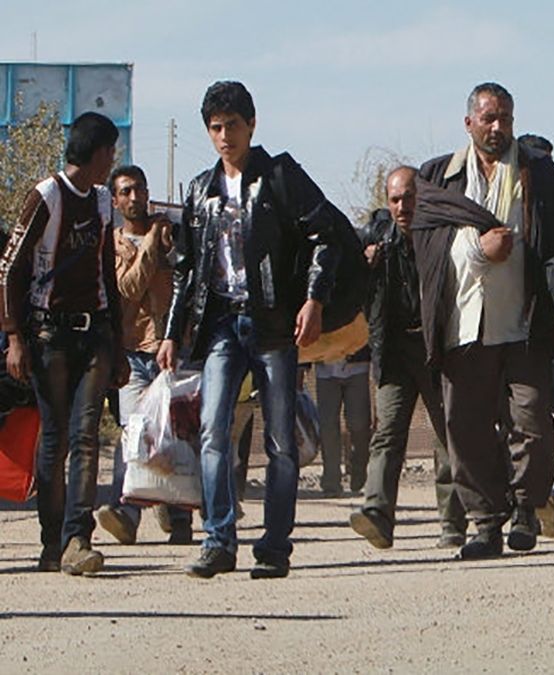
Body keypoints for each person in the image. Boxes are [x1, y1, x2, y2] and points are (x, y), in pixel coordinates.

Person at [158, 81, 345, 579]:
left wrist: (313, 299)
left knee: (280, 440)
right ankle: (219, 540)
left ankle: (276, 545)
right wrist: (172, 332)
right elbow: (186, 268)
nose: (224, 136)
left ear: (251, 124)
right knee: (212, 430)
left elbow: (323, 235)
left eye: (232, 126)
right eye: (216, 128)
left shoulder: (280, 175)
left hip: (275, 325)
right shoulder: (200, 190)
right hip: (222, 323)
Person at [413, 82, 554, 560]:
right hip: (463, 328)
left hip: (523, 325)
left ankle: (526, 509)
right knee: (464, 429)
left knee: (534, 426)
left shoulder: (537, 173)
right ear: (469, 123)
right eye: (488, 118)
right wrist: (477, 250)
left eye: (505, 118)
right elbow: (426, 249)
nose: (498, 127)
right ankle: (485, 522)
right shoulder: (439, 178)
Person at [0, 112, 127, 575]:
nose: (113, 160)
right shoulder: (46, 196)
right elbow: (10, 269)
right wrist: (15, 337)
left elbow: (107, 275)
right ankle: (51, 542)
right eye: (110, 151)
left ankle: (79, 539)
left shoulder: (102, 203)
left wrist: (118, 342)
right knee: (54, 439)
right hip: (48, 335)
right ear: (95, 152)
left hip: (93, 333)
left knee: (86, 435)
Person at [349, 167, 467, 550]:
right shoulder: (375, 240)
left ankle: (453, 523)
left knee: (446, 435)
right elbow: (348, 287)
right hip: (394, 351)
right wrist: (363, 267)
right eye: (396, 199)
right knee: (387, 433)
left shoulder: (441, 235)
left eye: (410, 198)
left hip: (436, 349)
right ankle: (377, 513)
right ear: (388, 201)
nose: (404, 207)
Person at [94, 165, 193, 546]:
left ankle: (180, 516)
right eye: (126, 191)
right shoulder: (115, 244)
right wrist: (152, 241)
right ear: (116, 201)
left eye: (139, 189)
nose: (135, 197)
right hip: (133, 353)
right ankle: (127, 512)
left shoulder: (173, 238)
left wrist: (168, 245)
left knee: (179, 434)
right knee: (134, 434)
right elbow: (127, 289)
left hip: (171, 348)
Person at [314, 349, 372, 497]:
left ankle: (358, 470)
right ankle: (331, 481)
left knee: (359, 423)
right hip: (325, 366)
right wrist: (302, 366)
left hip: (358, 365)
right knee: (327, 425)